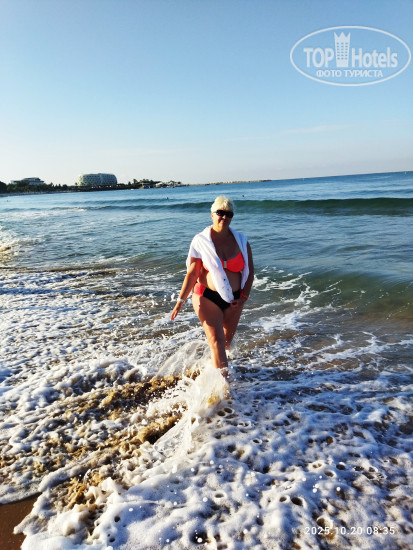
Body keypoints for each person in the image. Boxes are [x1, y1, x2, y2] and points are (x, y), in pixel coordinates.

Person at [171, 196, 254, 376]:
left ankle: (212, 369)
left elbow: (249, 272)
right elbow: (192, 273)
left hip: (234, 300)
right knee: (216, 342)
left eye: (229, 214)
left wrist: (244, 298)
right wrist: (180, 301)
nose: (224, 217)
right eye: (220, 213)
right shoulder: (201, 241)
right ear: (212, 215)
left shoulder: (241, 241)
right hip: (206, 296)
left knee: (225, 344)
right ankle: (223, 387)